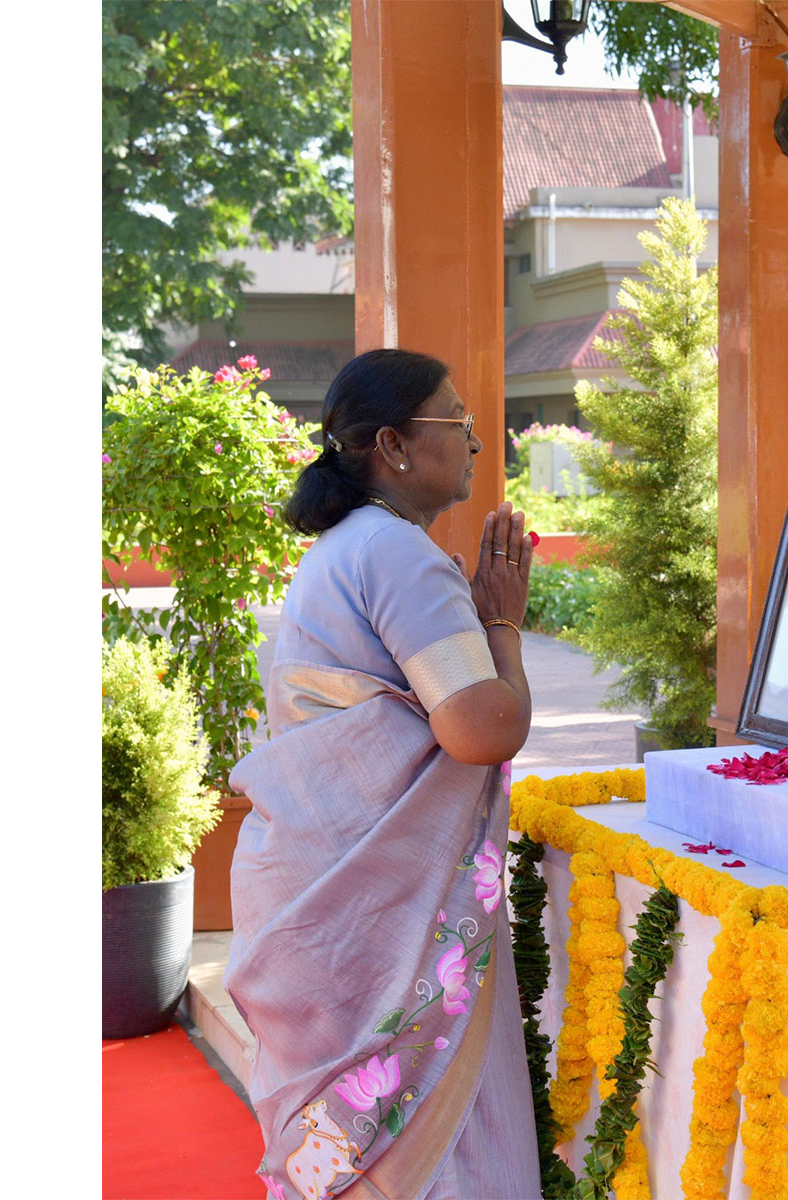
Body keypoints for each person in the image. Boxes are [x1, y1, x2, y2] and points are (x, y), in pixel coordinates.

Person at [223, 349, 542, 1199]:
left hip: (325, 897)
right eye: (461, 425)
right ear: (395, 446)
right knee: (440, 1152)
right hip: (378, 923)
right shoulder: (398, 553)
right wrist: (503, 624)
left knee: (352, 1156)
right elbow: (481, 728)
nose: (477, 443)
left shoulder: (342, 548)